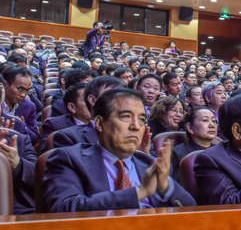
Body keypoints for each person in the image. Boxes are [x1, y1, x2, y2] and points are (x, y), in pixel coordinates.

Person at [42, 89, 197, 212]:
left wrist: (166, 187)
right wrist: (138, 192)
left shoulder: (149, 163)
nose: (136, 126)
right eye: (125, 116)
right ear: (99, 123)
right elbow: (64, 208)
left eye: (142, 120)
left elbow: (192, 212)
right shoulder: (68, 158)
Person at [52, 76, 126, 148]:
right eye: (113, 96)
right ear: (93, 100)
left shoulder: (133, 130)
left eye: (123, 97)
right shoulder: (68, 137)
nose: (121, 102)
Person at [0, 74, 36, 214]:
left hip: (16, 211)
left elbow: (40, 177)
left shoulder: (17, 130)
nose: (22, 95)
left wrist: (18, 164)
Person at [171, 106, 218, 179]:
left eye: (214, 121)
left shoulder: (221, 150)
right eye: (205, 120)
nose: (212, 125)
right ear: (190, 128)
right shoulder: (177, 153)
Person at [40, 83, 91, 148]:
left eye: (93, 99)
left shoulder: (103, 124)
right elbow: (47, 153)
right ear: (72, 107)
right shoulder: (54, 125)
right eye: (87, 100)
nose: (93, 104)